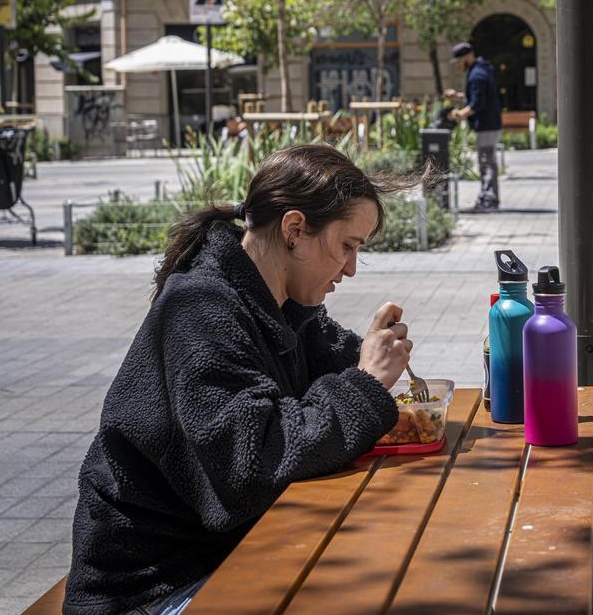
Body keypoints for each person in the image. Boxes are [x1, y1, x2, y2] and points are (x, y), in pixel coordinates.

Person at [65, 145, 415, 615]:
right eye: (347, 246)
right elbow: (250, 463)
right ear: (295, 230)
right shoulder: (201, 308)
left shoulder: (282, 305)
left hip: (226, 553)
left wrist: (369, 361)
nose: (351, 268)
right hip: (152, 591)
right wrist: (365, 384)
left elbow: (337, 376)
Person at [445, 41, 502, 212]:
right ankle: (489, 197)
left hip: (486, 125)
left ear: (467, 57)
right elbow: (475, 96)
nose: (459, 65)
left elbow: (477, 103)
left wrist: (460, 114)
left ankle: (488, 200)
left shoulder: (477, 75)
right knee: (488, 161)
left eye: (460, 61)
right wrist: (458, 96)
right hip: (489, 124)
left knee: (487, 162)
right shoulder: (480, 69)